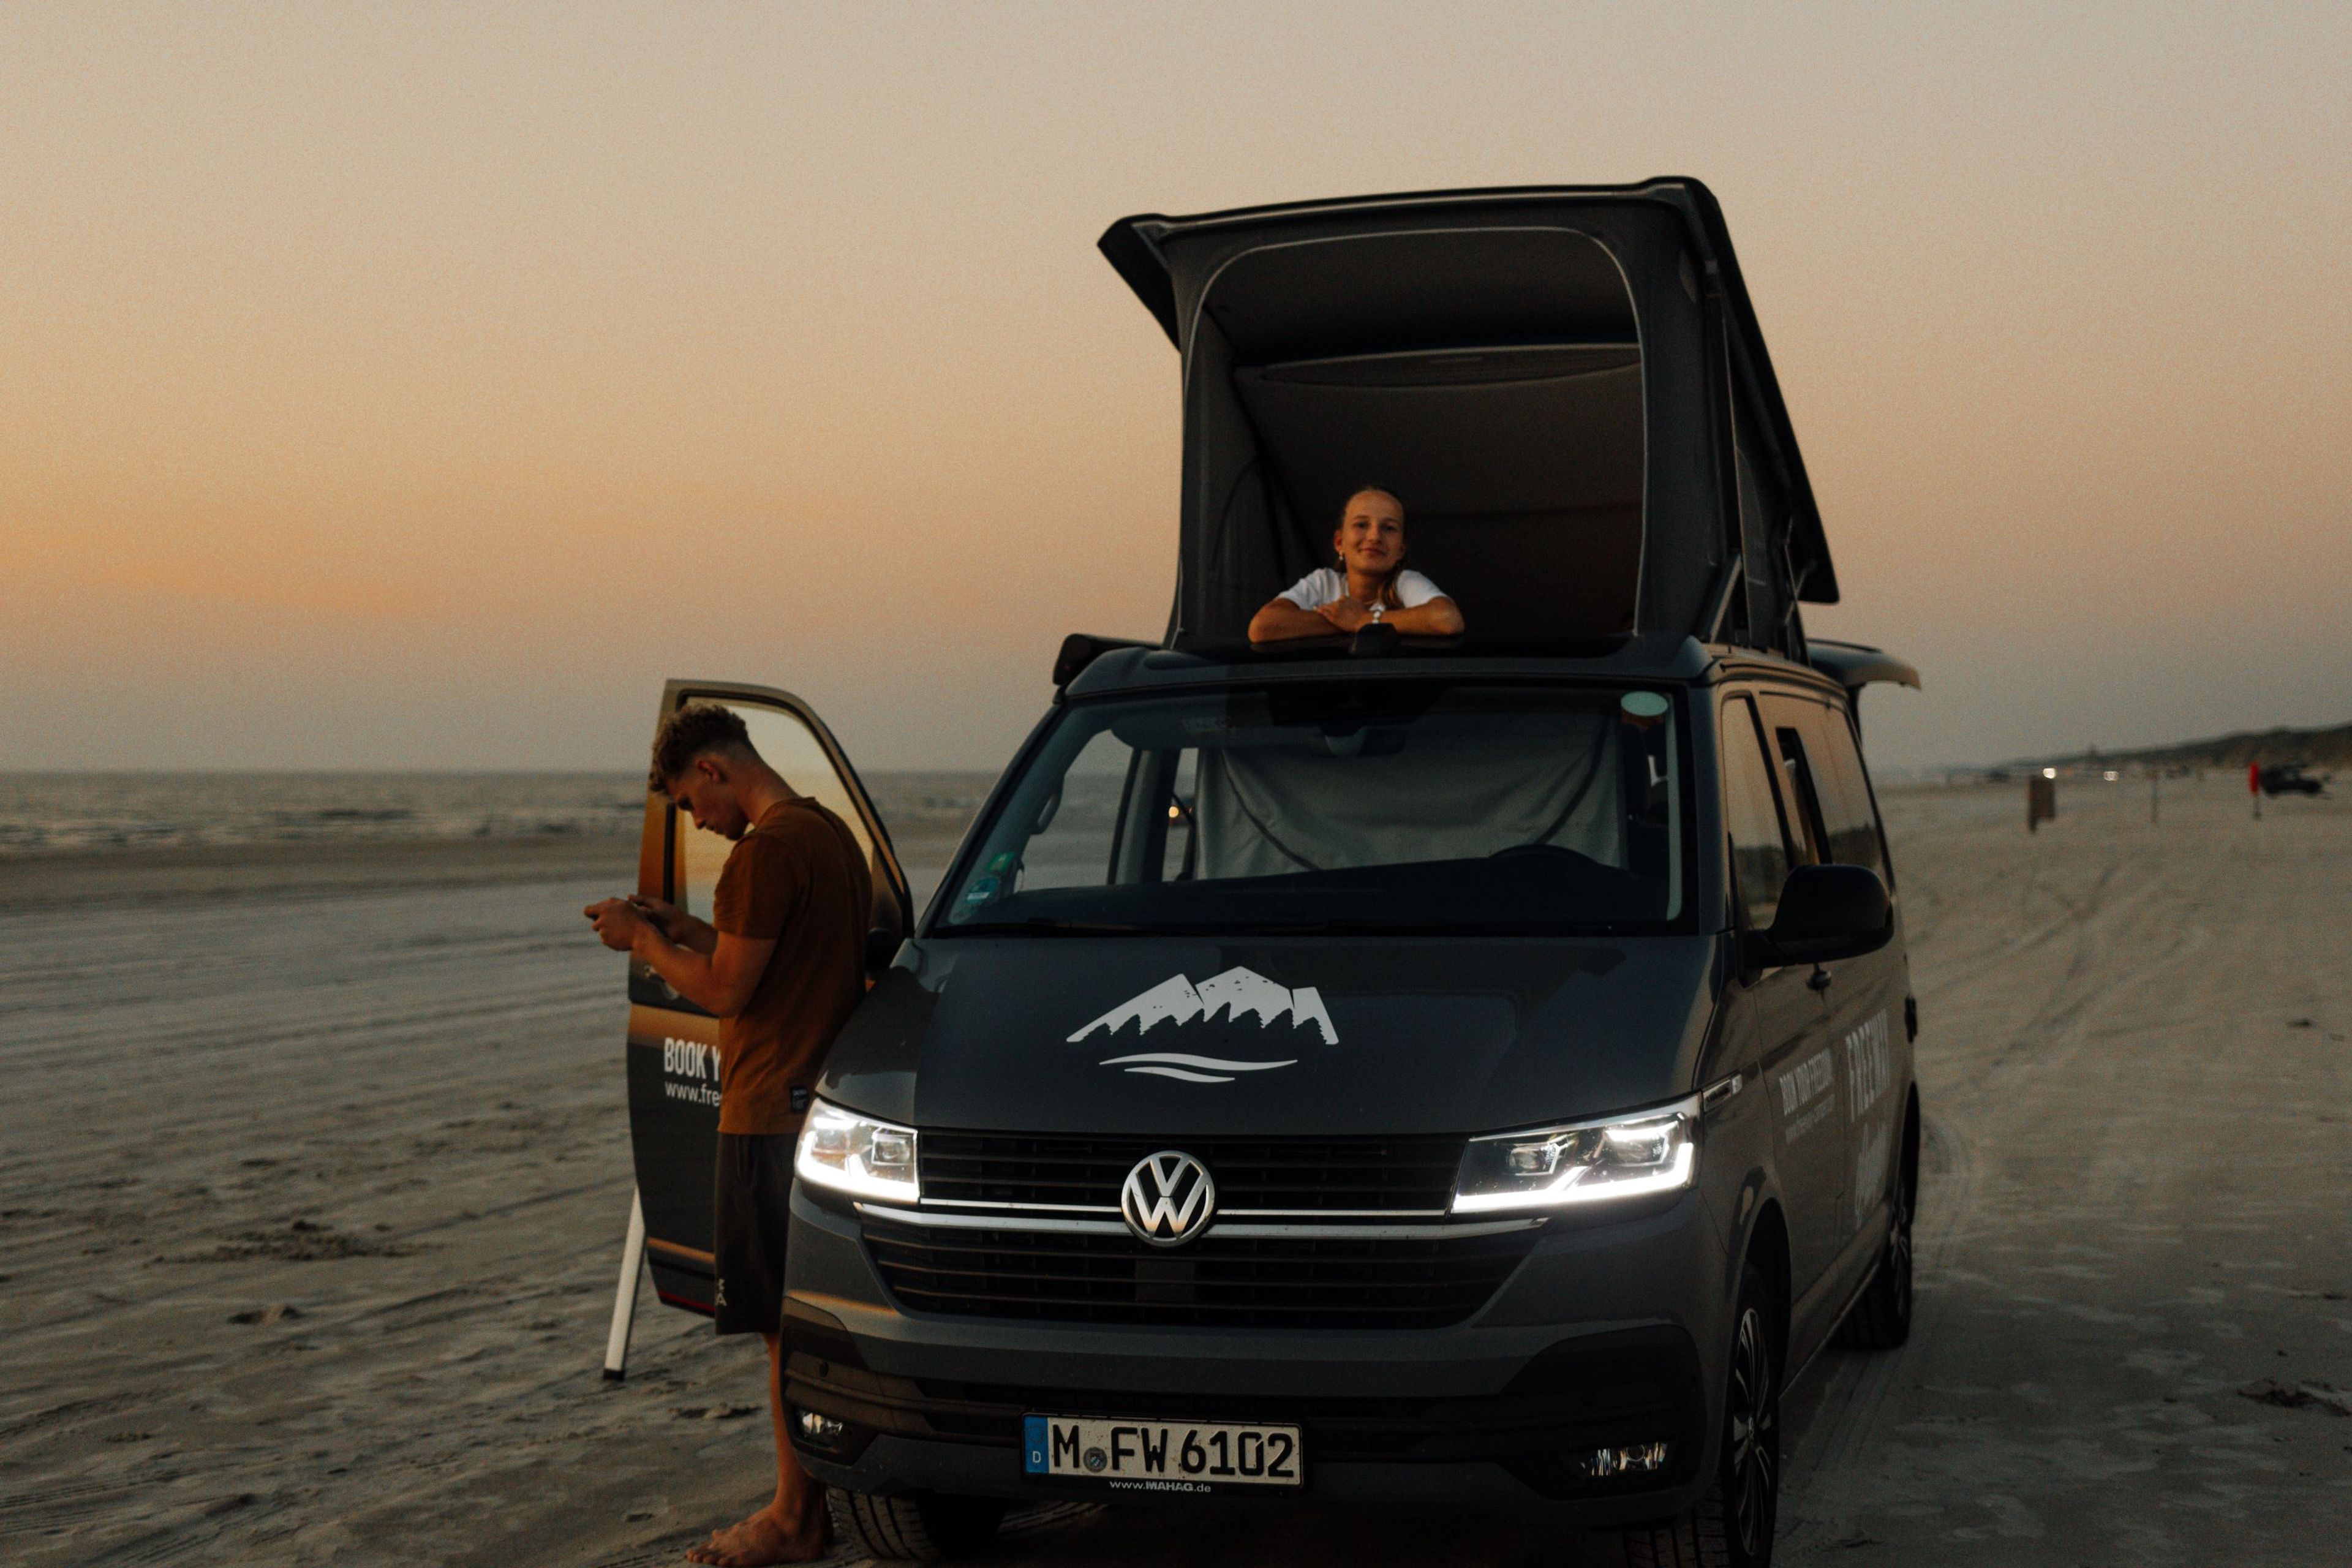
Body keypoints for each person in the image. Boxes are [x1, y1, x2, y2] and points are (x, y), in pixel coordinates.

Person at [584, 703, 872, 1567]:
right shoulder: (826, 837)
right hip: (818, 1105)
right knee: (812, 1317)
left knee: (781, 1325)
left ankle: (795, 1516)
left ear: (712, 770)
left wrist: (641, 941)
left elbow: (724, 995)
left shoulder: (761, 856)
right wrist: (686, 931)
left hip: (764, 1116)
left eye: (685, 801)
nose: (693, 820)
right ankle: (805, 1505)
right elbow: (762, 959)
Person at [1246, 484, 1466, 642]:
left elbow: (1447, 619)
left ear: (1401, 550)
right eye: (1361, 525)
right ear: (1339, 542)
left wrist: (1363, 619)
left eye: (1389, 528)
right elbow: (1263, 627)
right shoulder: (1324, 582)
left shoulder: (1405, 582)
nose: (1374, 537)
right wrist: (1347, 621)